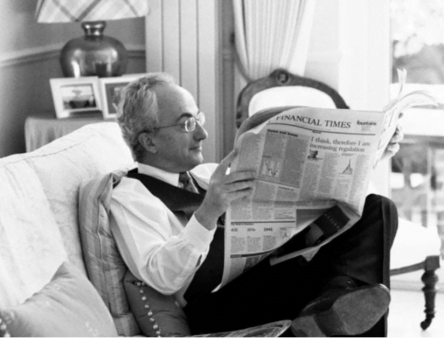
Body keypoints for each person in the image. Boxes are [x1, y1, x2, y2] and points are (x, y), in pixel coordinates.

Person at [111, 73, 400, 337]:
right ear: (149, 141)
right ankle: (332, 310)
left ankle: (335, 302)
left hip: (270, 279)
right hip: (214, 309)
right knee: (339, 286)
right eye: (187, 123)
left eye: (198, 118)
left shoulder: (206, 175)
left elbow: (316, 195)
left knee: (377, 209)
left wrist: (368, 157)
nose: (202, 133)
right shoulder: (130, 197)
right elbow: (161, 278)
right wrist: (208, 213)